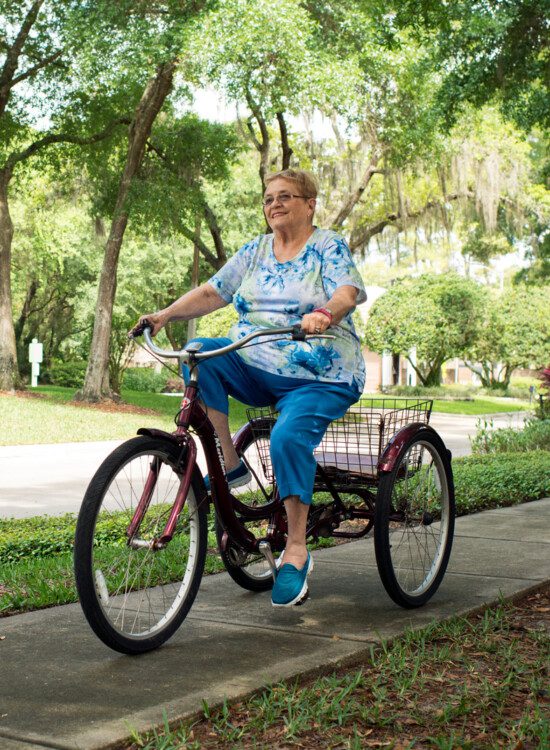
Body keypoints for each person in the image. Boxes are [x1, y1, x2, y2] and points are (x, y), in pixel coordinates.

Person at [137, 169, 366, 607]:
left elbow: (347, 292)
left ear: (309, 203)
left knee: (286, 436)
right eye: (268, 199)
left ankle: (296, 550)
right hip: (255, 361)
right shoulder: (256, 249)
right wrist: (164, 315)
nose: (274, 204)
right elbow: (212, 292)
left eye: (285, 196)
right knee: (199, 353)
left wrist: (326, 313)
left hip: (321, 372)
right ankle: (229, 462)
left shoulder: (327, 244)